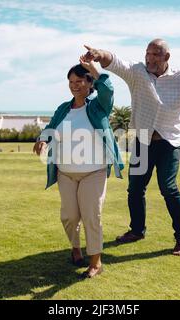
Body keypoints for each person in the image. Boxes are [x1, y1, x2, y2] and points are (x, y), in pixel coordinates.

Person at [82, 39, 180, 256]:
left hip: (169, 142)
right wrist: (99, 53)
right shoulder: (137, 72)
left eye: (155, 54)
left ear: (166, 58)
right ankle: (137, 230)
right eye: (148, 53)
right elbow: (115, 62)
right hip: (143, 139)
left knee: (168, 187)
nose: (149, 58)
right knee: (135, 188)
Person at [33, 57, 123, 278]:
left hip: (94, 171)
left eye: (80, 80)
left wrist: (94, 69)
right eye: (71, 81)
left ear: (90, 83)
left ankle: (95, 262)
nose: (75, 85)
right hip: (66, 173)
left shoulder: (99, 106)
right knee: (70, 216)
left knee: (92, 215)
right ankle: (75, 248)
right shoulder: (63, 108)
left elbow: (108, 90)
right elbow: (50, 127)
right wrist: (43, 138)